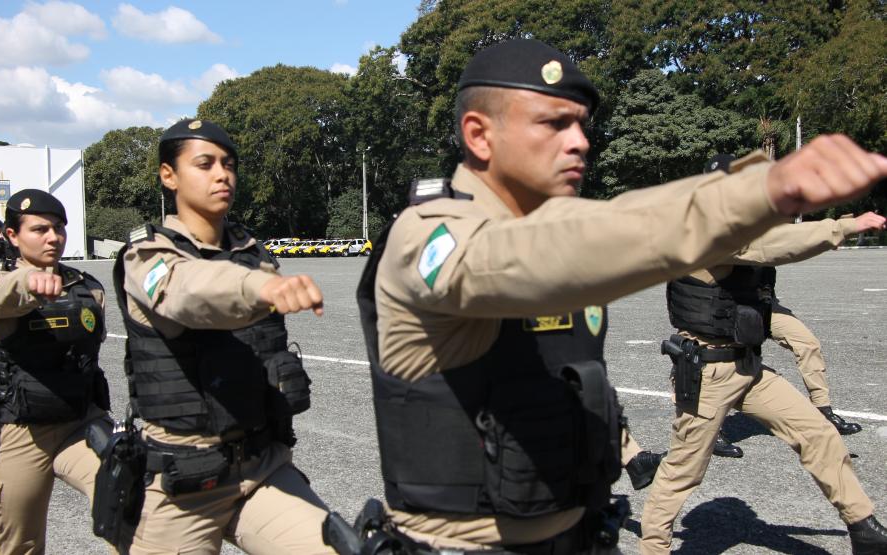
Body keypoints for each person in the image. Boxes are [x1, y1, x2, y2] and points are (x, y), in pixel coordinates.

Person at [355, 38, 887, 554]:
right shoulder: (428, 235)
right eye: (553, 123)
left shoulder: (557, 227)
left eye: (581, 124)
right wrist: (755, 192)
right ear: (479, 135)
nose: (580, 141)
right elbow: (530, 255)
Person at [114, 119, 332, 554]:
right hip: (182, 483)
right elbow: (188, 291)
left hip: (262, 468)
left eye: (229, 164)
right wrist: (258, 287)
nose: (222, 175)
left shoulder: (251, 252)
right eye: (205, 164)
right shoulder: (146, 255)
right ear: (168, 175)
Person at [643, 199, 887, 550]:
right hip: (709, 374)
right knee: (683, 471)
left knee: (817, 433)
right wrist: (844, 227)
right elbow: (776, 244)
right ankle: (653, 547)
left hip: (748, 369)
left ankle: (863, 529)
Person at [701, 156, 874, 458]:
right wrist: (833, 231)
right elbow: (769, 246)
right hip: (728, 310)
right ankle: (710, 430)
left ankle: (822, 410)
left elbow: (783, 237)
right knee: (726, 368)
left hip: (763, 304)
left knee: (806, 343)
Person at [0, 189, 113, 554]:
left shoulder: (87, 287)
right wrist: (29, 281)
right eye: (39, 229)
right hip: (18, 429)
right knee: (21, 543)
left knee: (132, 497)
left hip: (81, 422)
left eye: (59, 228)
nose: (53, 238)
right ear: (12, 235)